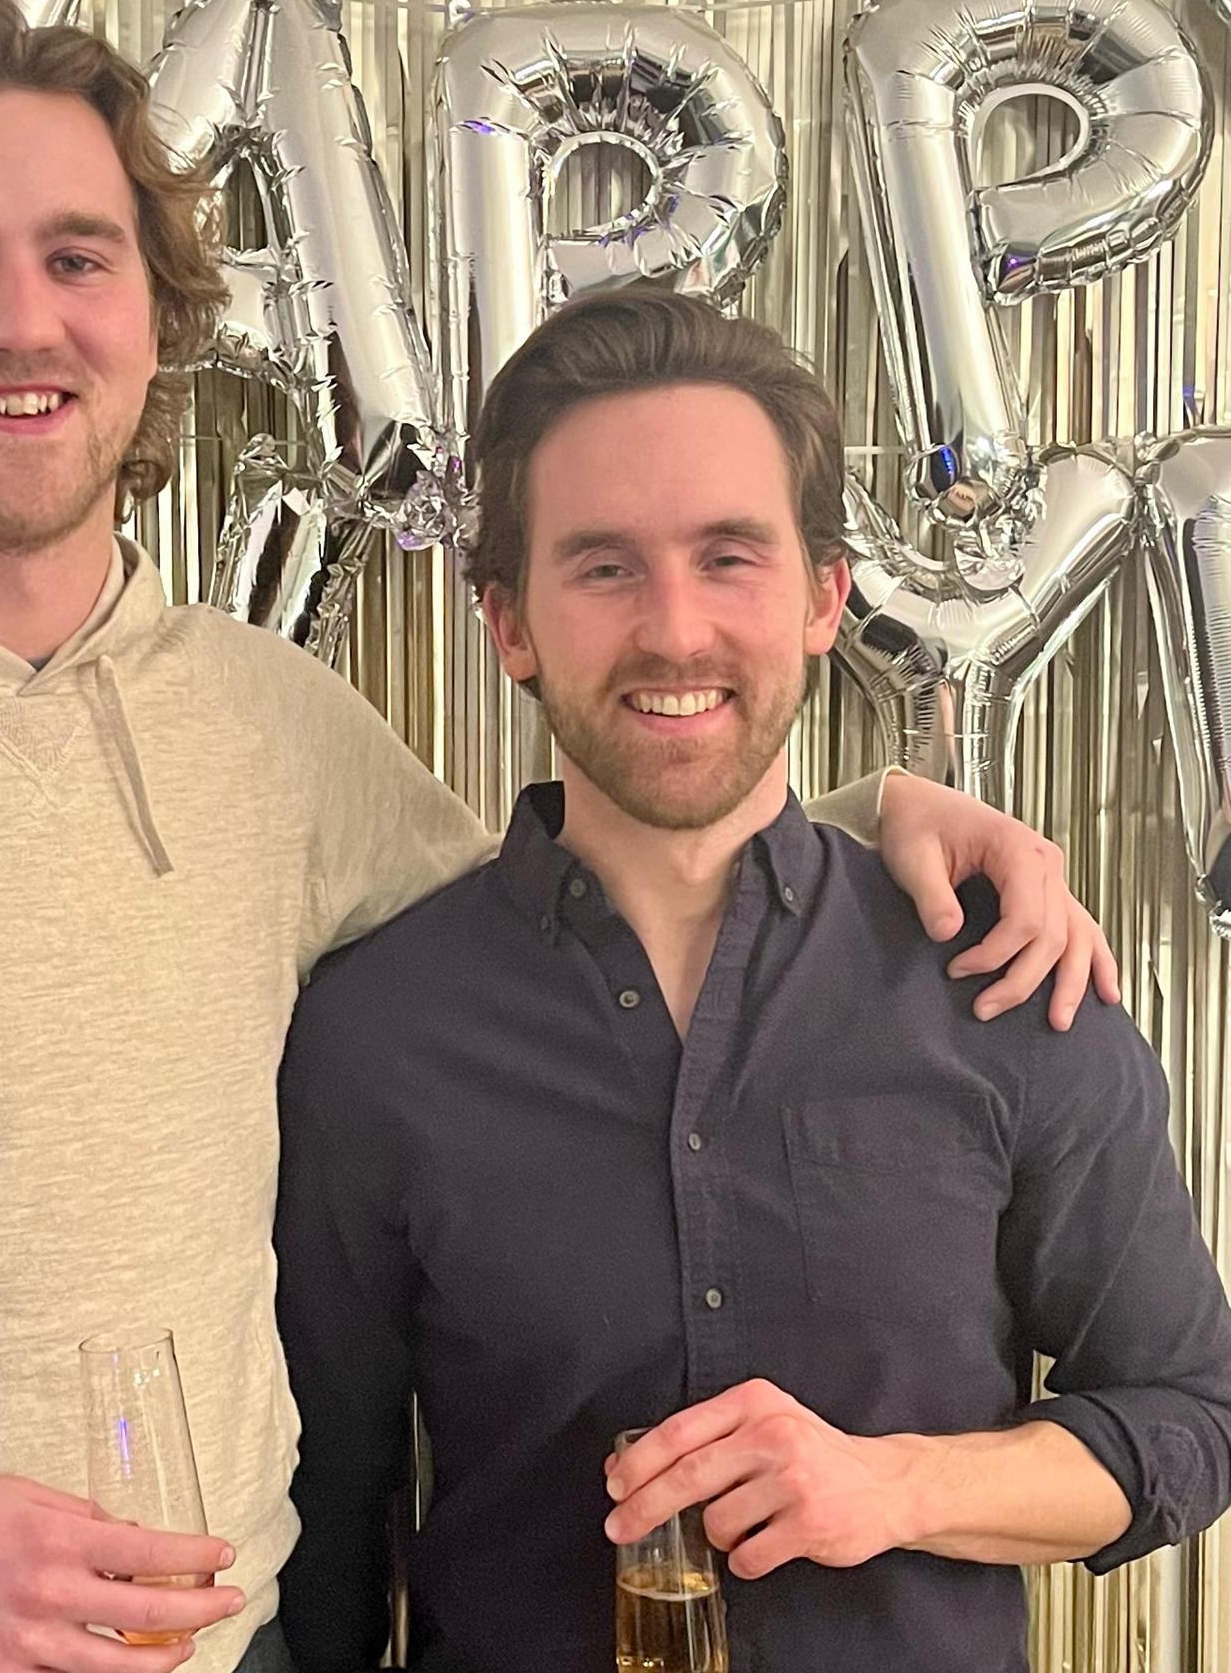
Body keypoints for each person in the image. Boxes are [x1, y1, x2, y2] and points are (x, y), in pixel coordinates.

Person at [0, 0, 1112, 1673]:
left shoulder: (265, 727)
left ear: (153, 319)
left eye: (79, 258)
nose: (24, 320)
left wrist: (871, 818)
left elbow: (586, 897)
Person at [271, 288, 1231, 1673]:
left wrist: (896, 1485)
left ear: (824, 597)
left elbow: (1190, 1416)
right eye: (605, 567)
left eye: (729, 558)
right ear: (509, 623)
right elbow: (326, 1518)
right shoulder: (376, 1034)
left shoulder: (1001, 976)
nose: (675, 631)